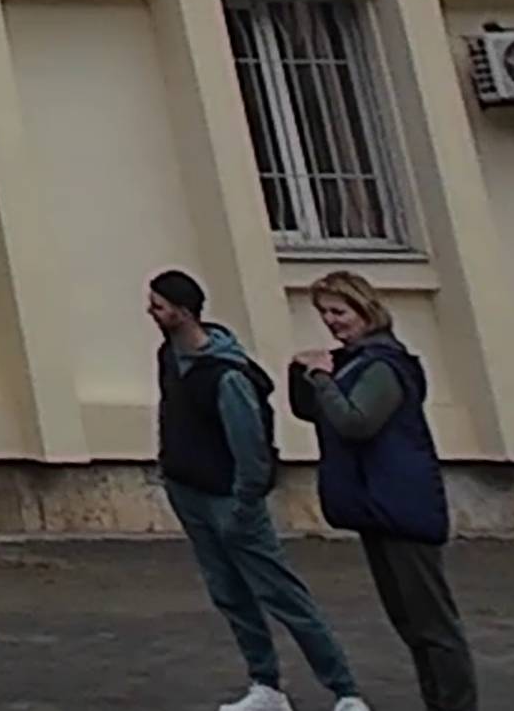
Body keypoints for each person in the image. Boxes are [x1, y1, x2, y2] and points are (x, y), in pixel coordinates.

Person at [148, 269, 367, 711]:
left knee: (281, 594)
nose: (150, 312)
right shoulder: (169, 355)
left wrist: (244, 502)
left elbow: (250, 447)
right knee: (229, 594)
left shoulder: (227, 376)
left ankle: (345, 691)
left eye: (158, 306)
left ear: (183, 313)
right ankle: (265, 686)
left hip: (229, 498)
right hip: (188, 491)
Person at [290, 271, 477, 711]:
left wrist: (322, 378)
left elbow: (355, 422)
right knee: (411, 623)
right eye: (324, 313)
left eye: (339, 311)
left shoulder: (383, 365)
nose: (331, 321)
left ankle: (456, 705)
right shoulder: (354, 361)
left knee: (433, 625)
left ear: (365, 311)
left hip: (402, 506)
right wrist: (304, 374)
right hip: (376, 505)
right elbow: (313, 411)